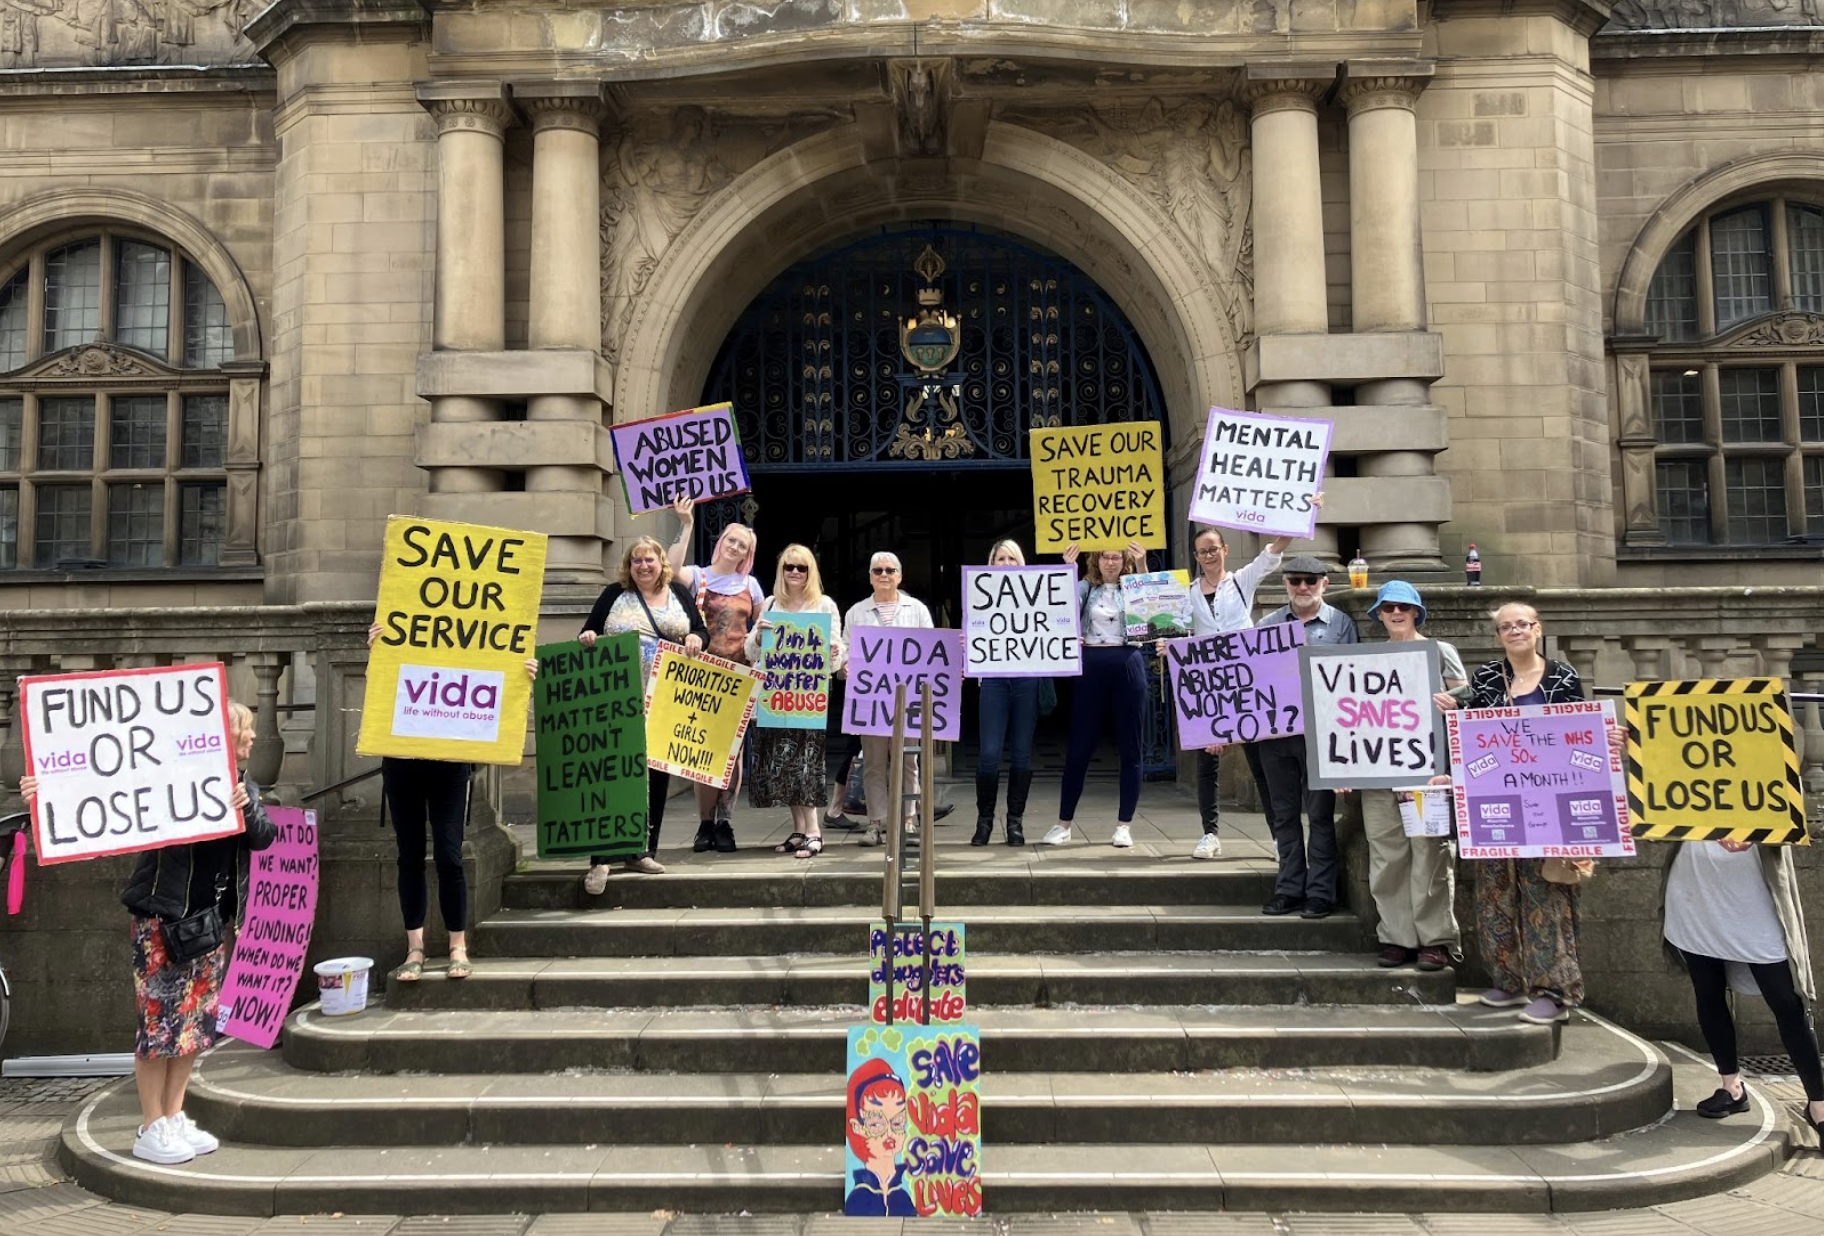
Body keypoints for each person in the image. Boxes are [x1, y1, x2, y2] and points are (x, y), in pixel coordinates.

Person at [23, 701, 277, 1166]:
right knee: (159, 1028)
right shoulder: (170, 782)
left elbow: (263, 839)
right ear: (221, 734)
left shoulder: (245, 788)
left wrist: (244, 806)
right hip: (161, 921)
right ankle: (149, 1125)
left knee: (194, 1030)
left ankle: (173, 1116)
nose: (254, 738)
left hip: (207, 925)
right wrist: (46, 792)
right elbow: (105, 791)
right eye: (246, 728)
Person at [366, 629, 540, 974]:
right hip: (402, 761)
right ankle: (414, 948)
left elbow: (490, 679)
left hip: (449, 764)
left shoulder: (468, 640)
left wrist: (520, 675)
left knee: (450, 854)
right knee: (410, 855)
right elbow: (381, 692)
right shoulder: (401, 635)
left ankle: (457, 945)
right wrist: (377, 654)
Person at [1462, 602, 1592, 1024]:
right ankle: (1509, 979)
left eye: (1522, 624)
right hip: (1496, 801)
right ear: (1498, 636)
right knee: (1495, 892)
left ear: (1538, 629)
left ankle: (1554, 991)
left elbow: (1578, 735)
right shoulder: (1484, 678)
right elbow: (1472, 734)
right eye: (1506, 627)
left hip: (1549, 803)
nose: (1514, 631)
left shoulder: (1562, 677)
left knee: (1546, 894)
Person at [1177, 502, 1321, 860]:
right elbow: (1168, 625)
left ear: (1224, 550)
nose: (1208, 556)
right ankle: (1209, 834)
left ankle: (1277, 836)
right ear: (1196, 557)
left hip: (1248, 683)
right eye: (1202, 552)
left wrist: (1303, 514)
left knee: (1261, 763)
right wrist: (1169, 647)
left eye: (1213, 549)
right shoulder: (1189, 592)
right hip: (1210, 683)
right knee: (1207, 764)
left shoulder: (1241, 581)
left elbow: (1274, 550)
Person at [1663, 837, 1823, 1134]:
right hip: (1695, 888)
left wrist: (1761, 831)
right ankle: (1731, 1086)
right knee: (1708, 991)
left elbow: (1788, 811)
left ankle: (1819, 1106)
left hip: (1752, 892)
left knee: (1787, 1001)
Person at [578, 535, 709, 892]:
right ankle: (600, 859)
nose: (643, 566)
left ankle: (642, 850)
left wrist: (697, 638)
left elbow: (700, 630)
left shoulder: (679, 595)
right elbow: (588, 630)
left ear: (661, 563)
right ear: (629, 566)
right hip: (618, 700)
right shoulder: (613, 595)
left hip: (667, 701)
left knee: (656, 774)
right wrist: (588, 636)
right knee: (614, 776)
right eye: (636, 560)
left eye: (649, 560)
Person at [1356, 580, 1469, 971]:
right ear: (1379, 616)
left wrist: (1453, 704)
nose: (1396, 613)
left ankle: (1434, 939)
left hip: (1427, 774)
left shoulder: (1441, 652)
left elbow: (1466, 704)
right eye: (1387, 609)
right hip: (1378, 775)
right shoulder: (1367, 660)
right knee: (1387, 856)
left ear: (1417, 611)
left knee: (1430, 854)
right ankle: (1396, 937)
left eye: (1403, 607)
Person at [1246, 555, 1358, 918]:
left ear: (1325, 584)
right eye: (1295, 581)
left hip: (1322, 735)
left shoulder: (1341, 625)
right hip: (1275, 735)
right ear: (1286, 585)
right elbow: (1248, 676)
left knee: (1321, 815)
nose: (1303, 587)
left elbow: (1353, 681)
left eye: (1311, 580)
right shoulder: (1266, 624)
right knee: (1284, 815)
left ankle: (1321, 893)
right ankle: (1289, 888)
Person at [668, 498, 765, 853]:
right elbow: (670, 570)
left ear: (746, 554)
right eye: (731, 539)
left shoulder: (750, 586)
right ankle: (704, 823)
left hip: (738, 674)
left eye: (743, 544)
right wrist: (686, 524)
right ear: (721, 541)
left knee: (732, 753)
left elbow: (763, 628)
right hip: (700, 675)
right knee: (700, 752)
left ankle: (726, 822)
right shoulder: (697, 575)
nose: (735, 546)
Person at [1044, 541, 1149, 849]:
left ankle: (1124, 825)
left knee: (1132, 746)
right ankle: (1064, 823)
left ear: (1124, 559)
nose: (1111, 562)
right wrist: (1067, 569)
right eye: (1106, 556)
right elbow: (1057, 609)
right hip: (1091, 664)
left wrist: (1142, 565)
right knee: (1080, 745)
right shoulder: (1084, 588)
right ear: (1097, 559)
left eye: (1117, 556)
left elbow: (1155, 609)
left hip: (1129, 662)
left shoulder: (1134, 586)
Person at [745, 544, 846, 859]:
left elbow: (836, 656)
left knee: (806, 763)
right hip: (775, 696)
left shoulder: (824, 605)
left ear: (810, 571)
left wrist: (832, 651)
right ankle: (799, 829)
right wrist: (759, 636)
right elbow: (752, 652)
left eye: (801, 568)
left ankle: (814, 830)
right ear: (781, 570)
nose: (795, 573)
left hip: (808, 698)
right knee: (784, 764)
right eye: (789, 567)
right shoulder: (772, 604)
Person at [841, 551, 934, 848]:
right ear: (870, 577)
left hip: (909, 701)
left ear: (900, 575)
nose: (884, 575)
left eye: (890, 570)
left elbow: (932, 652)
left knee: (909, 762)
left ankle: (908, 820)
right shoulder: (856, 612)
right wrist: (844, 665)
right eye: (877, 570)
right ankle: (876, 824)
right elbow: (844, 651)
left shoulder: (917, 610)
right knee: (874, 764)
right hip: (871, 702)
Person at [972, 538, 1038, 847]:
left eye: (1013, 559)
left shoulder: (1037, 595)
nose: (1007, 564)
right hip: (994, 681)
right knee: (989, 754)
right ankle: (984, 821)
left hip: (1026, 681)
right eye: (1001, 559)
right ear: (991, 563)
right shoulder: (978, 596)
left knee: (1022, 754)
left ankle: (1015, 823)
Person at [844, 1058, 916, 1216]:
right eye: (877, 1124)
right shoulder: (859, 1198)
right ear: (858, 1127)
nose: (889, 1133)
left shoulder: (903, 1197)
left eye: (897, 1122)